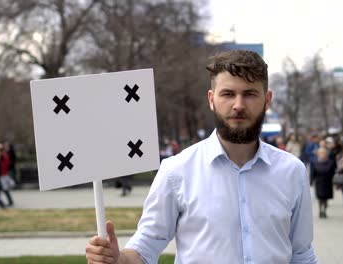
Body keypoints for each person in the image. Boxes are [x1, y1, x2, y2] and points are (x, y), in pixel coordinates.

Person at [86, 50, 318, 263]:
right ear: (211, 99)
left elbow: (302, 254)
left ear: (267, 100)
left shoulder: (292, 171)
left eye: (249, 94)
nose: (238, 105)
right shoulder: (176, 171)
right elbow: (145, 247)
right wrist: (117, 259)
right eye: (228, 94)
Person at [310, 148, 335, 218]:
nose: (322, 155)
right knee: (320, 198)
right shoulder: (315, 163)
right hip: (319, 182)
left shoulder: (330, 162)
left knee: (325, 198)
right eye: (321, 153)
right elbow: (313, 173)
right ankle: (321, 210)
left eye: (323, 153)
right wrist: (311, 181)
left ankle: (324, 209)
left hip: (327, 182)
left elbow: (333, 172)